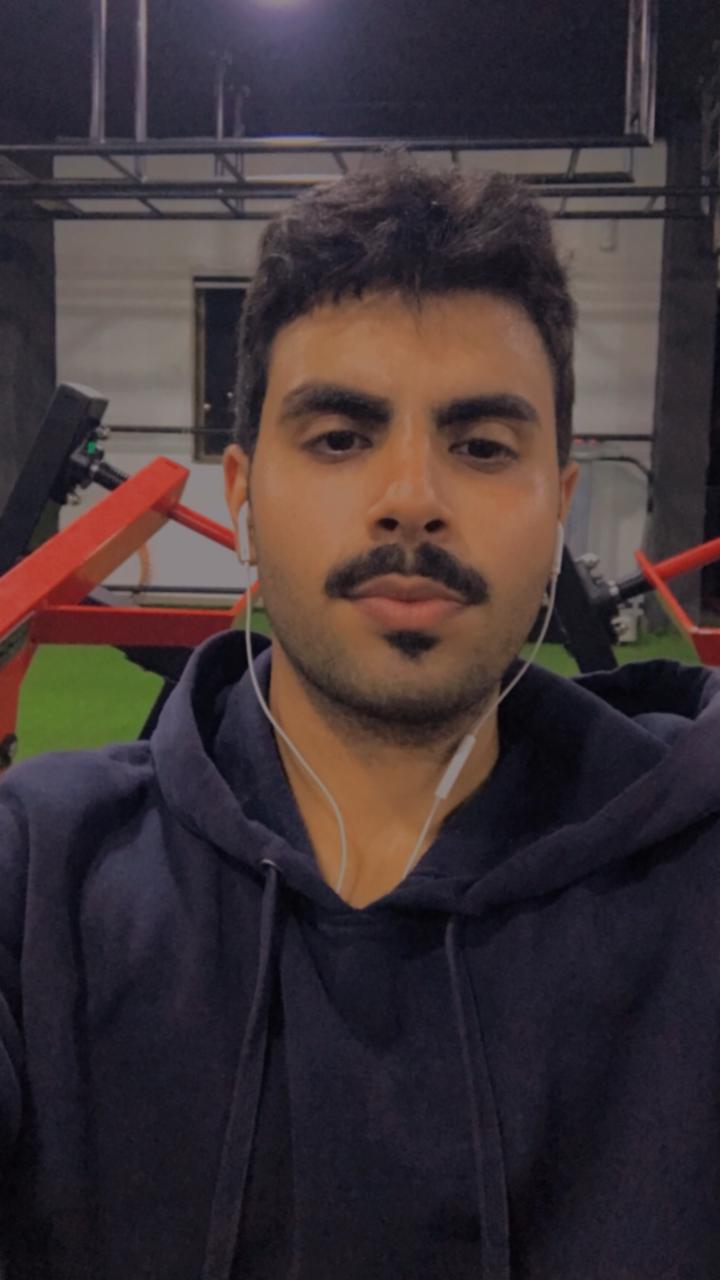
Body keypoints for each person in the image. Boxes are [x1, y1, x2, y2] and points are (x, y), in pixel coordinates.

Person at [1, 157, 719, 1280]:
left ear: (559, 507)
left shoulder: (694, 877)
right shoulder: (37, 875)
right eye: (340, 436)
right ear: (243, 496)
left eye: (482, 446)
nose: (411, 497)